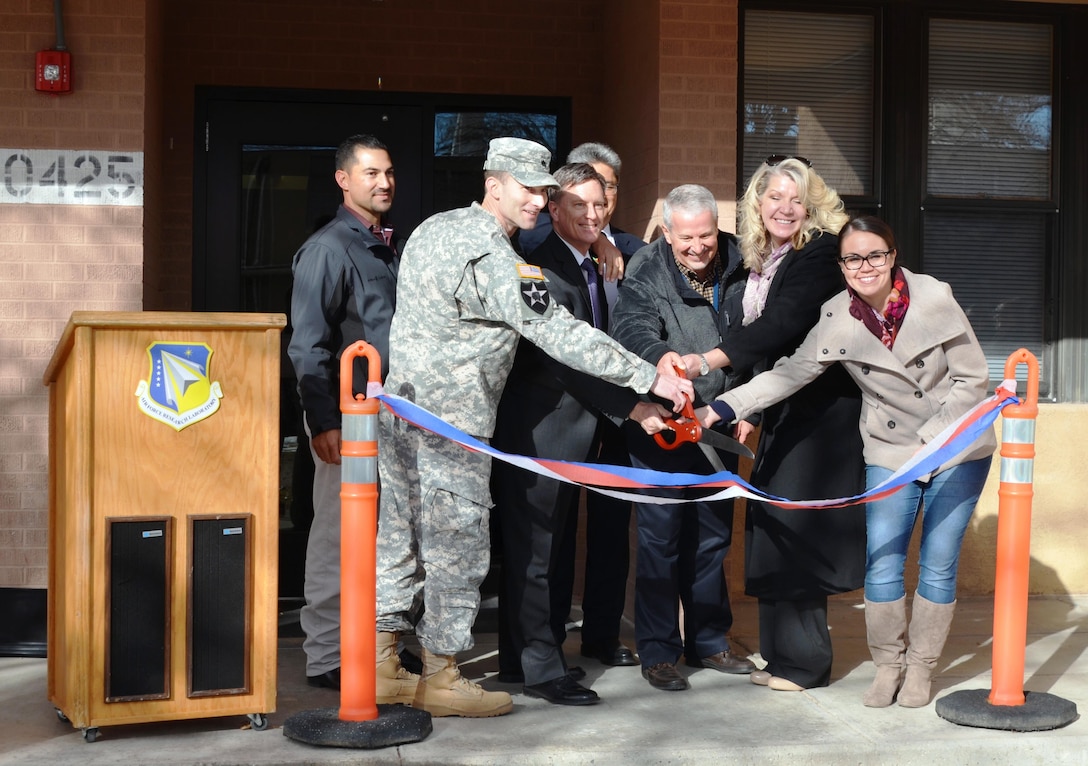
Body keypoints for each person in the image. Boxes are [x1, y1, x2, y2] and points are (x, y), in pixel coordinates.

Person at [373, 137, 693, 718]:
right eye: (527, 189)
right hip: (454, 426)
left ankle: (384, 664)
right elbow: (560, 333)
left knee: (400, 543)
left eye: (544, 191)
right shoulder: (496, 258)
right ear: (493, 183)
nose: (537, 202)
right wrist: (649, 379)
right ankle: (442, 675)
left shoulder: (434, 228)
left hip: (403, 412)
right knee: (455, 550)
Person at [700, 214, 996, 708]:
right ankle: (888, 669)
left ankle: (920, 671)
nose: (865, 266)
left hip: (955, 446)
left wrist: (933, 441)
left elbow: (974, 380)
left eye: (875, 255)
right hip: (889, 449)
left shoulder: (935, 298)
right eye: (853, 258)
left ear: (892, 255)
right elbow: (790, 373)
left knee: (938, 567)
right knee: (883, 564)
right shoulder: (838, 315)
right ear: (841, 265)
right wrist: (724, 407)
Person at [676, 156, 866, 692]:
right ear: (758, 204)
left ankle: (806, 664)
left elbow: (784, 326)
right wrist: (751, 408)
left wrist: (706, 362)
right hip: (784, 410)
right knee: (772, 527)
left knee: (798, 529)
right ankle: (783, 658)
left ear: (812, 208)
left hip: (822, 416)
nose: (785, 207)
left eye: (796, 198)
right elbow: (768, 348)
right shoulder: (767, 260)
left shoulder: (820, 253)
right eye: (774, 196)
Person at [491, 163, 666, 706]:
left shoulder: (591, 260)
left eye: (599, 205)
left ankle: (522, 661)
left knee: (551, 550)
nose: (592, 215)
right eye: (578, 206)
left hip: (575, 433)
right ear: (553, 209)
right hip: (540, 431)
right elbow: (568, 363)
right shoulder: (539, 269)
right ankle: (541, 670)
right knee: (537, 553)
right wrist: (635, 406)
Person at [610, 183, 757, 692]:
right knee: (660, 540)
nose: (698, 247)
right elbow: (631, 329)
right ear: (667, 232)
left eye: (707, 235)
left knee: (713, 540)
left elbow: (760, 340)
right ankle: (658, 652)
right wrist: (661, 360)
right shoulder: (647, 269)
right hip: (664, 427)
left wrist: (746, 405)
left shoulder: (745, 262)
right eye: (686, 237)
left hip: (721, 423)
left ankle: (711, 642)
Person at [287, 134, 403, 693]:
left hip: (391, 415)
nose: (383, 182)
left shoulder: (383, 245)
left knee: (379, 538)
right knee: (336, 536)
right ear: (343, 180)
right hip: (348, 416)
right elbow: (306, 346)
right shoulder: (329, 248)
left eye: (388, 173)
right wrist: (324, 422)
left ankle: (371, 649)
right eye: (370, 173)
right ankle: (327, 656)